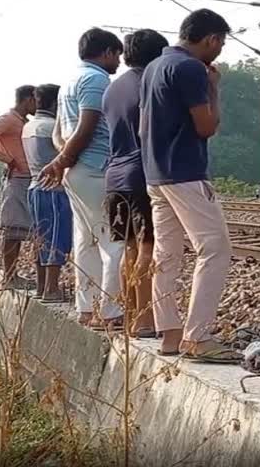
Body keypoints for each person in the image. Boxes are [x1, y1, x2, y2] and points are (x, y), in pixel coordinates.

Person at [140, 9, 240, 362]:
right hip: (185, 172)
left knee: (166, 255)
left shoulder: (154, 67)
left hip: (155, 173)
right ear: (211, 38)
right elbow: (206, 126)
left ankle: (169, 334)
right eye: (221, 43)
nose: (220, 50)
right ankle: (197, 336)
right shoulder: (191, 69)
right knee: (214, 249)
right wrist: (214, 89)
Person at [39, 28, 125, 328]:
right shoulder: (97, 79)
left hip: (77, 171)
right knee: (114, 242)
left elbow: (59, 131)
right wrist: (62, 160)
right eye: (117, 55)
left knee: (86, 241)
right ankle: (110, 312)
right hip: (95, 168)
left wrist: (63, 161)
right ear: (106, 52)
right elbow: (87, 125)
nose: (119, 63)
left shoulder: (68, 83)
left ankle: (86, 310)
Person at [103, 29, 169, 339]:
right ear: (159, 54)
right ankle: (145, 320)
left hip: (115, 175)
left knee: (128, 247)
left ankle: (130, 316)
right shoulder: (150, 83)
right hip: (141, 173)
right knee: (147, 247)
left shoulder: (113, 88)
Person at [0, 85, 36, 288]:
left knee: (21, 229)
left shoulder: (22, 122)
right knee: (13, 229)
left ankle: (13, 276)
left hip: (26, 178)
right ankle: (9, 278)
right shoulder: (8, 119)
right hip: (17, 179)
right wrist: (8, 160)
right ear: (28, 100)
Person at [21, 84, 72, 301]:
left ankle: (42, 287)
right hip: (53, 189)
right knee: (56, 237)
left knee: (40, 237)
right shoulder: (52, 127)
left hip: (34, 187)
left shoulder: (29, 127)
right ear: (54, 103)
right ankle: (52, 288)